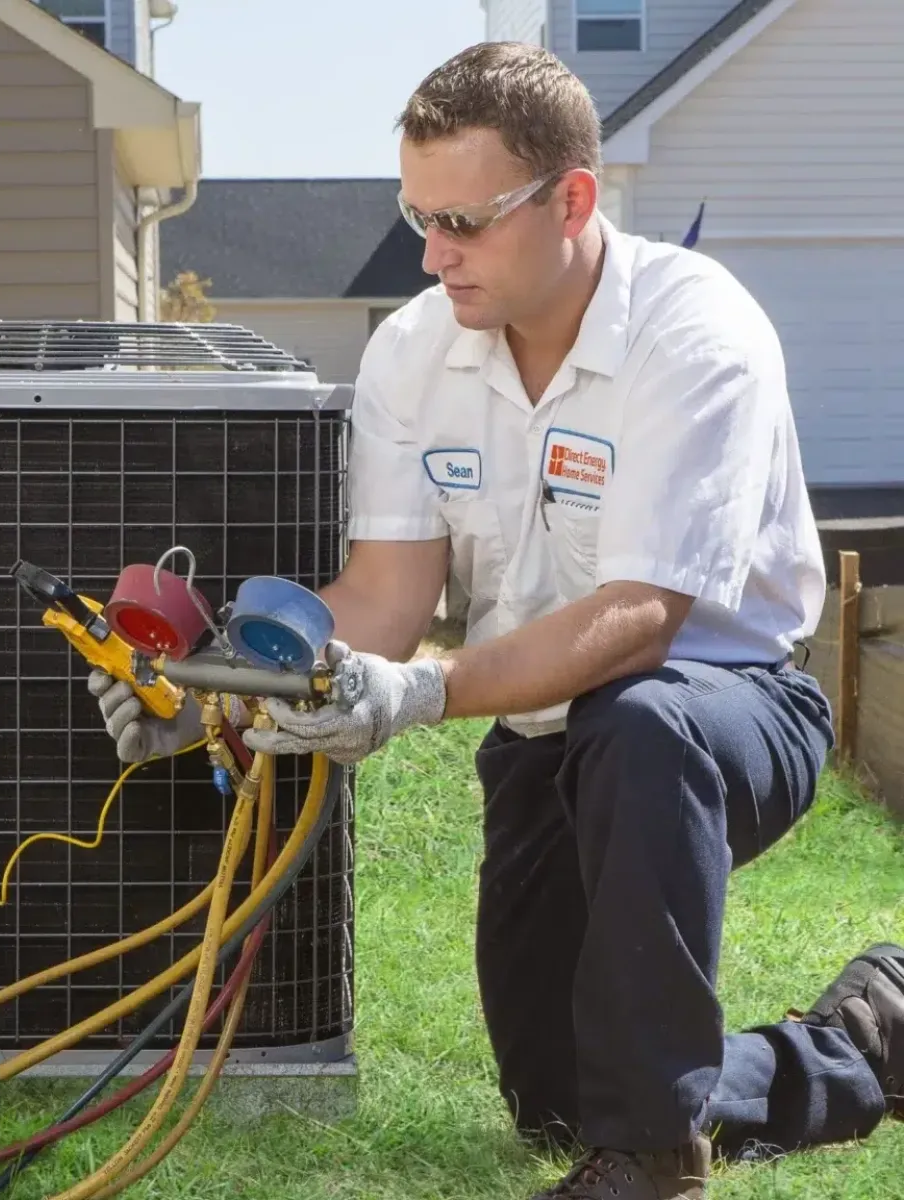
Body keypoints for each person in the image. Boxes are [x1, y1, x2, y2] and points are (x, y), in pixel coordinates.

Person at [89, 41, 901, 1200]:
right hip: (542, 734)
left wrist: (419, 692)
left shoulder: (692, 333)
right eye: (418, 216)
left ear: (572, 198)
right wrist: (213, 688)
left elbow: (636, 619)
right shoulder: (414, 354)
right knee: (558, 1096)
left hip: (726, 714)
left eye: (463, 221)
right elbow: (381, 600)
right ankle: (862, 1040)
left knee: (641, 722)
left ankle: (656, 1163)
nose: (432, 254)